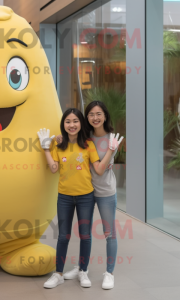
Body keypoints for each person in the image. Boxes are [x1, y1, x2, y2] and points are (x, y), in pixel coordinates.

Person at [37, 108, 120, 289]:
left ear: (81, 123)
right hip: (65, 197)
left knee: (85, 236)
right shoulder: (58, 145)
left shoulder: (88, 144)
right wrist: (46, 147)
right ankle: (58, 273)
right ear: (63, 125)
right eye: (68, 121)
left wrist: (112, 150)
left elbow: (98, 169)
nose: (72, 125)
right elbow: (53, 168)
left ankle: (83, 270)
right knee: (63, 236)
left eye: (75, 121)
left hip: (86, 197)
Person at [58, 101, 124, 290]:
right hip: (84, 190)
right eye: (91, 115)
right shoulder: (84, 136)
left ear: (105, 116)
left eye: (98, 114)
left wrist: (112, 149)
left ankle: (109, 273)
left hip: (104, 192)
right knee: (84, 233)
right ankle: (82, 268)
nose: (94, 118)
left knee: (109, 233)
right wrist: (56, 138)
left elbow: (102, 169)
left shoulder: (113, 139)